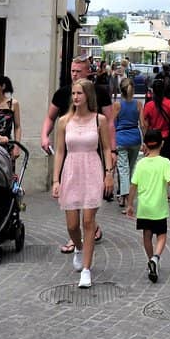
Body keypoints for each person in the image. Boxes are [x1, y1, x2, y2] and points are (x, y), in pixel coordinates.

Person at [42, 56, 115, 252]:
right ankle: (77, 237)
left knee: (88, 202)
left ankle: (87, 235)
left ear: (87, 72)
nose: (74, 75)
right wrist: (44, 136)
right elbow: (50, 117)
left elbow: (109, 121)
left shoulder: (100, 93)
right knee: (73, 203)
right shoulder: (63, 94)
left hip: (92, 153)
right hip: (69, 154)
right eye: (72, 71)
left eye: (78, 71)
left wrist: (113, 151)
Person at [50, 79, 113, 289]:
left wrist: (109, 173)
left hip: (92, 169)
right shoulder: (64, 121)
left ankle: (86, 269)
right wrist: (56, 179)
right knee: (72, 225)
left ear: (88, 96)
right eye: (74, 93)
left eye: (80, 93)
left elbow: (105, 148)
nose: (76, 97)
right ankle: (78, 247)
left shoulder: (99, 120)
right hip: (71, 170)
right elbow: (59, 151)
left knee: (88, 221)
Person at [126, 129, 170, 283]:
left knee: (146, 236)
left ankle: (150, 261)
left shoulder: (141, 163)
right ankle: (155, 258)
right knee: (161, 236)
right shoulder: (164, 162)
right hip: (159, 208)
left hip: (144, 208)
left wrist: (129, 204)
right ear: (162, 144)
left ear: (145, 145)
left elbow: (133, 185)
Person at [113, 77, 142, 211]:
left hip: (121, 139)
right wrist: (146, 141)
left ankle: (124, 197)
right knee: (129, 169)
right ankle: (125, 196)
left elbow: (112, 124)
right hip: (135, 138)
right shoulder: (138, 104)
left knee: (123, 170)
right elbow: (143, 125)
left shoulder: (117, 105)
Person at [142, 78, 170, 165]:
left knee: (153, 164)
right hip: (168, 138)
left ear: (153, 91)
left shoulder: (148, 105)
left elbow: (145, 125)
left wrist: (145, 140)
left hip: (153, 139)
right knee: (167, 163)